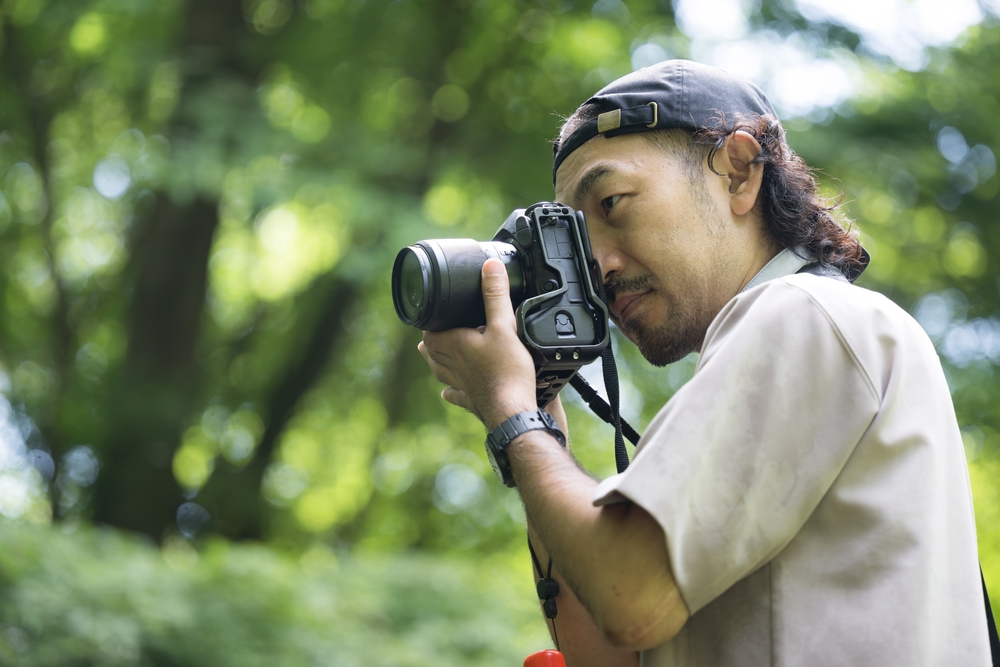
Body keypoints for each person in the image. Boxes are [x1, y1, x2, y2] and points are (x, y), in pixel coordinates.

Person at [418, 60, 993, 666]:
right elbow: (608, 650)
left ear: (739, 172)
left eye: (613, 202)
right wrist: (538, 412)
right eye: (579, 244)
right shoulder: (788, 348)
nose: (599, 267)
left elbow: (628, 596)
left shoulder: (804, 314)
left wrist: (512, 419)